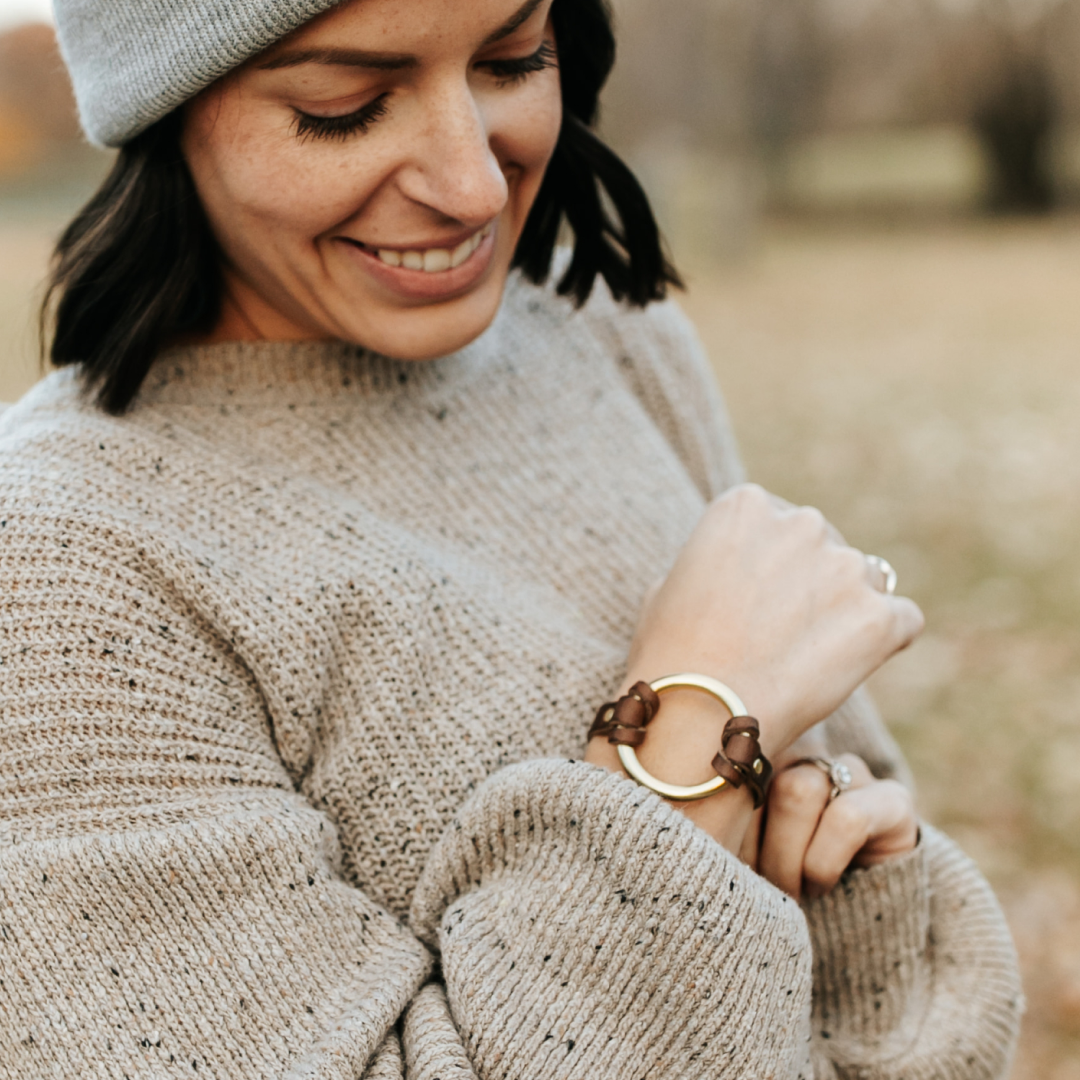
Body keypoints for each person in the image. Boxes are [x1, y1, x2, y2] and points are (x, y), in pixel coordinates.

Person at [0, 0, 1021, 1076]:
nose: (478, 185)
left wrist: (863, 902)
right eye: (345, 107)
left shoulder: (612, 339)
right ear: (164, 106)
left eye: (512, 57)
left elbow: (886, 972)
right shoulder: (62, 564)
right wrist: (686, 742)